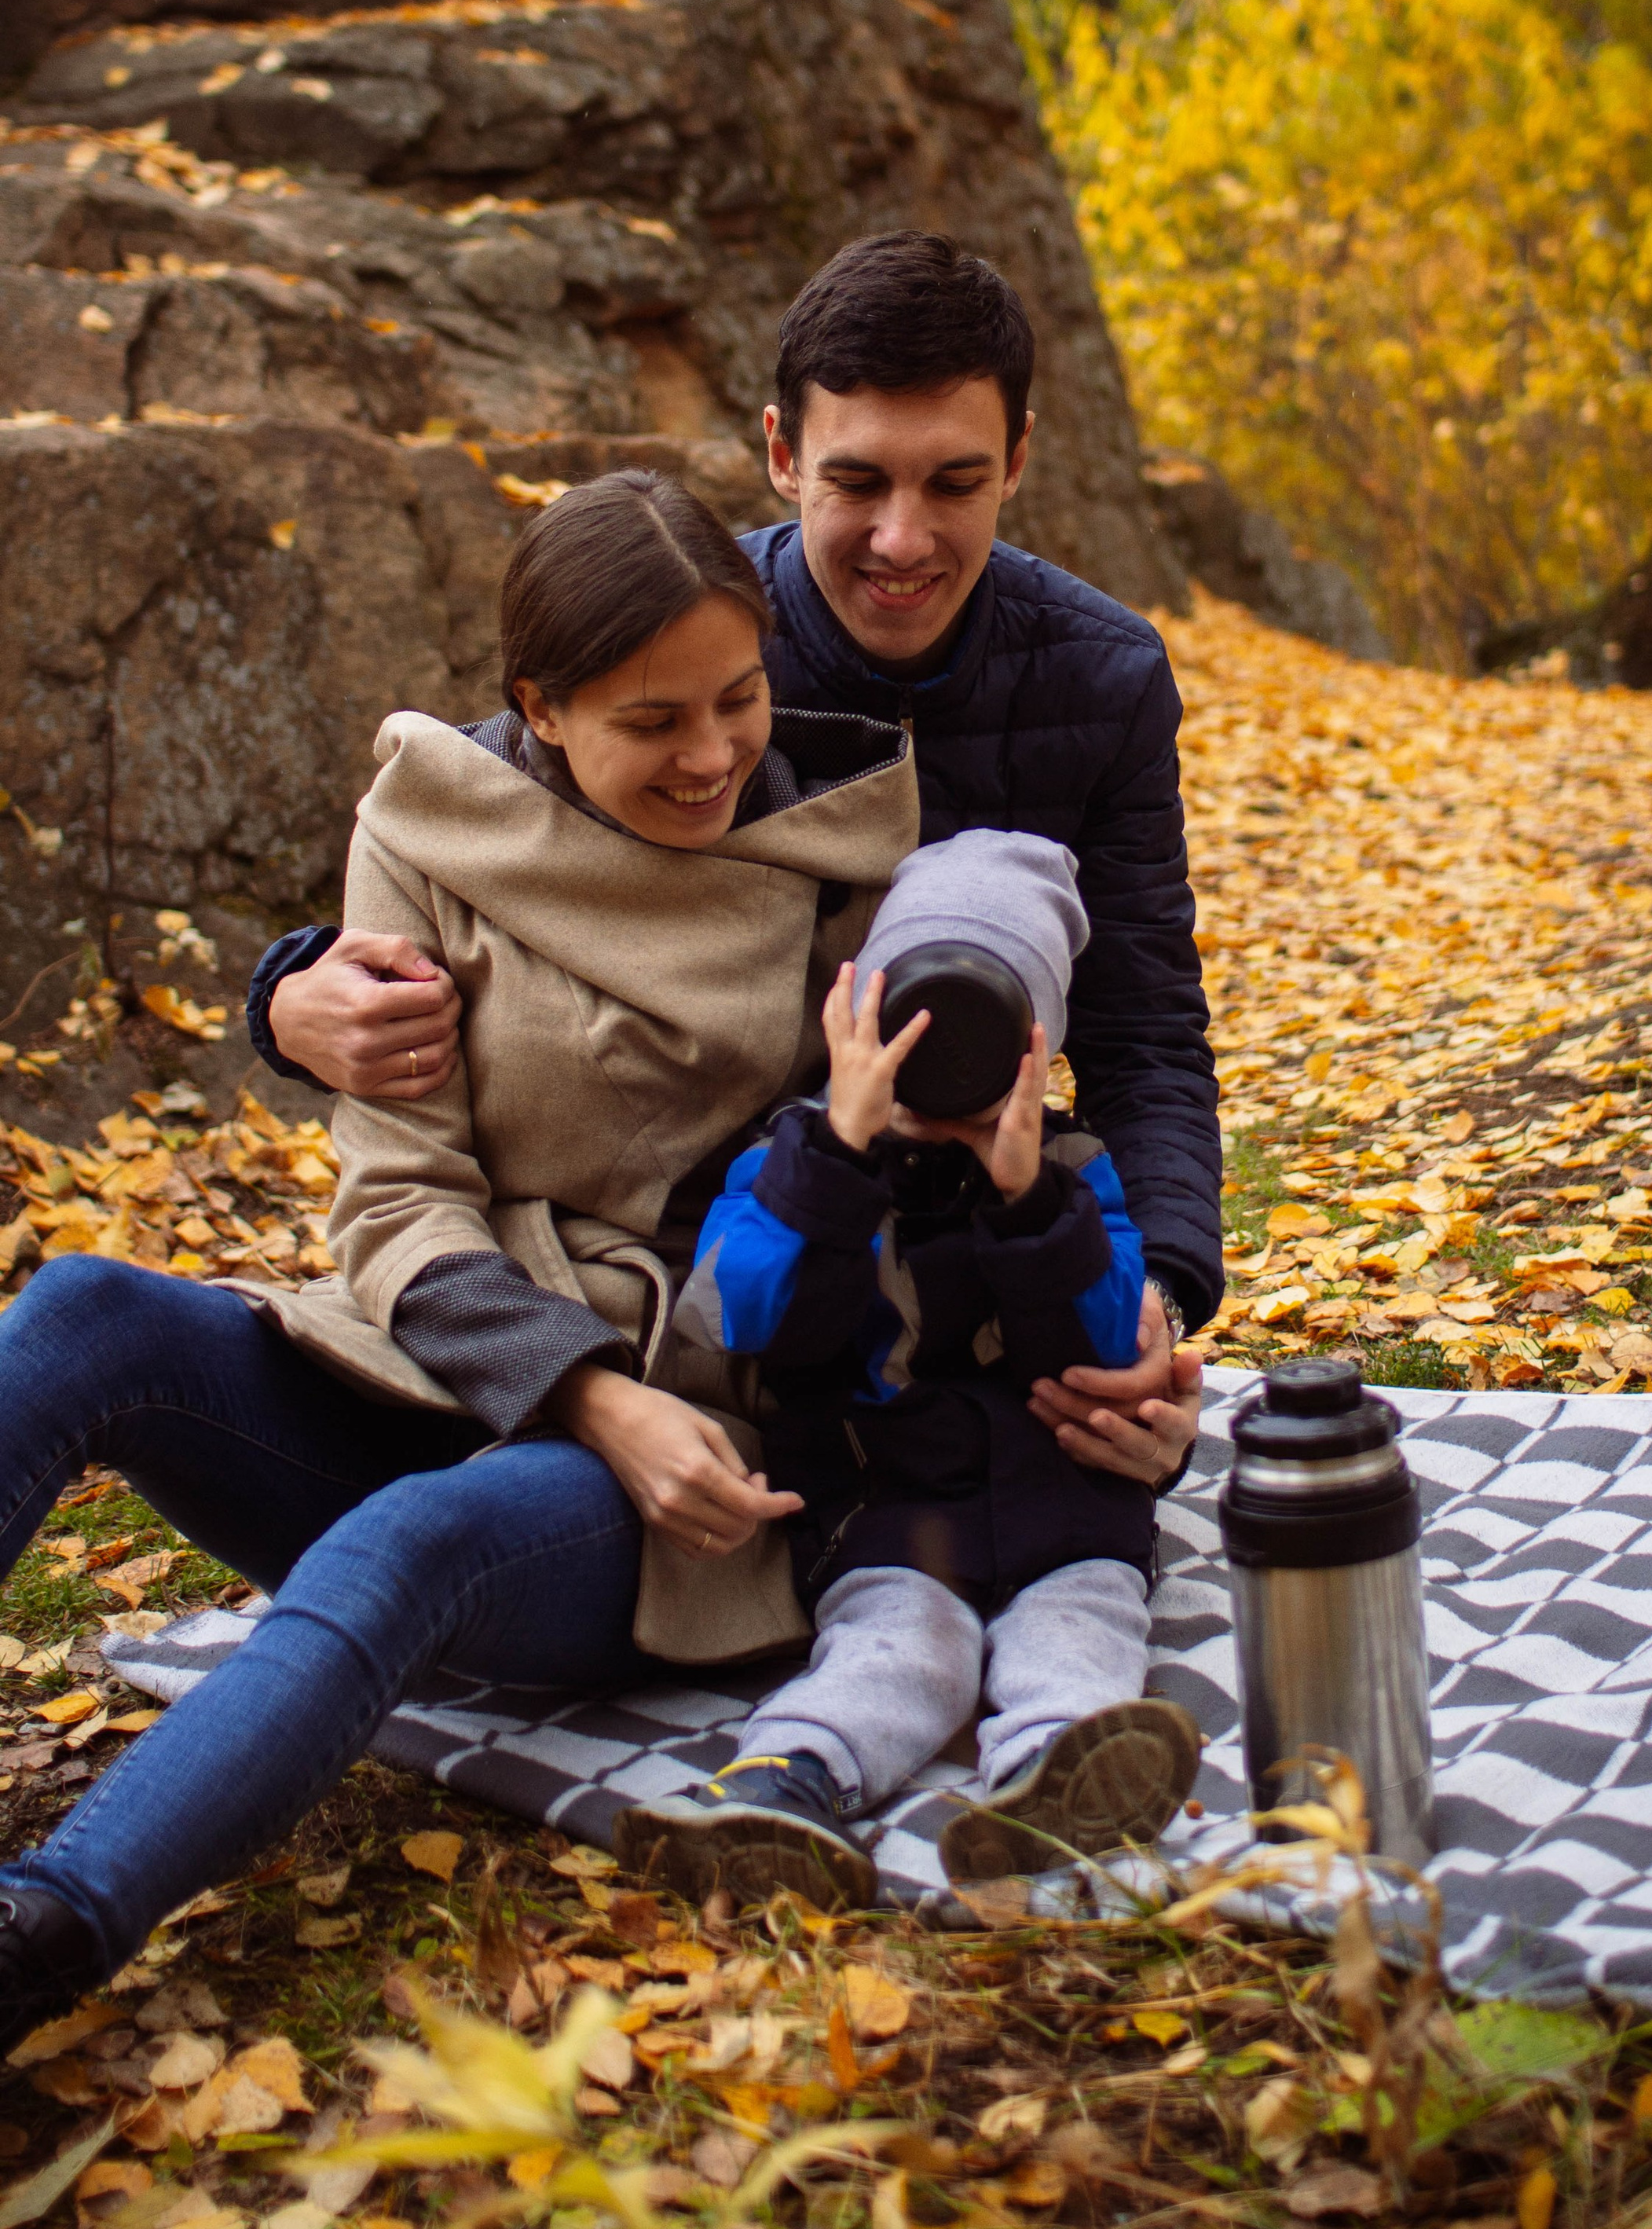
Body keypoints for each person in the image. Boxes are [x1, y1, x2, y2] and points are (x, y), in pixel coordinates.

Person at [0, 472, 923, 2046]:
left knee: (413, 1536)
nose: (709, 755)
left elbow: (850, 1246)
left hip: (682, 1448)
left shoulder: (848, 869)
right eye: (650, 722)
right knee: (85, 1306)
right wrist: (572, 1390)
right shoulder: (426, 831)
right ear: (539, 709)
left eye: (738, 700)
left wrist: (629, 1411)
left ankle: (43, 1934)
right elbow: (394, 1203)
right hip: (437, 1362)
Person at [248, 232, 1219, 1483]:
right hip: (690, 1244)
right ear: (779, 453)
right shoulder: (707, 636)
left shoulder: (1103, 676)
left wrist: (1163, 1301)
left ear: (1019, 462)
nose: (902, 538)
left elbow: (1143, 1026)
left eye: (955, 483)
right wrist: (289, 991)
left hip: (946, 1230)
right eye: (856, 481)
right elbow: (495, 806)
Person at [617, 834, 1201, 1912]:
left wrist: (1031, 1206)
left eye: (980, 1032)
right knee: (897, 1653)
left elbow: (1115, 1346)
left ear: (1036, 1048)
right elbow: (744, 1317)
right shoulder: (793, 1160)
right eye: (913, 1021)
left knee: (1080, 1638)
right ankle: (781, 1788)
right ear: (863, 1019)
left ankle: (1049, 1794)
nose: (942, 1064)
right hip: (887, 1503)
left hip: (1071, 1511)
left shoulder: (1075, 1171)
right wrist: (838, 1159)